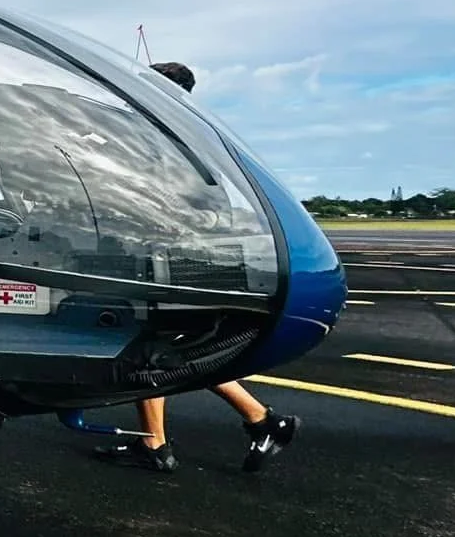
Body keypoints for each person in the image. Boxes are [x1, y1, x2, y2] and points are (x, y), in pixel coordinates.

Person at [92, 60, 301, 473]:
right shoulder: (192, 135)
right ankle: (262, 421)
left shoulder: (165, 141)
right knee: (174, 353)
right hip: (189, 257)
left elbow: (158, 198)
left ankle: (156, 445)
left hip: (179, 260)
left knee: (150, 353)